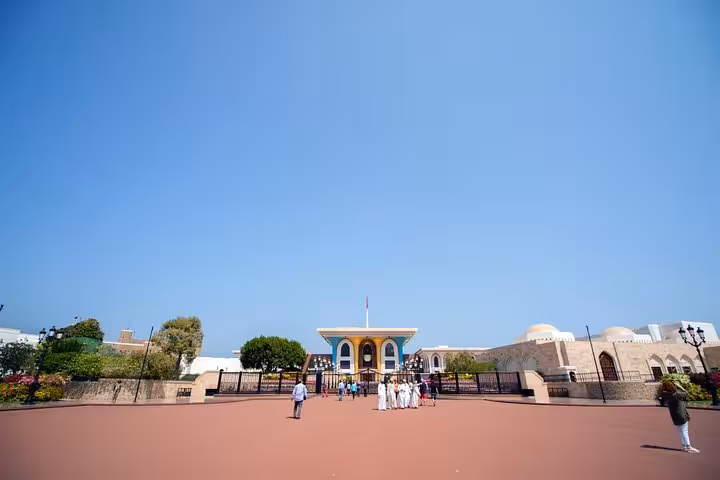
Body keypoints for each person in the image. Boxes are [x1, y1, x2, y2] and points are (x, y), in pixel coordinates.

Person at [662, 380, 700, 452]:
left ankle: (684, 445)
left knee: (680, 431)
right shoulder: (676, 394)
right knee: (684, 431)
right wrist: (680, 386)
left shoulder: (666, 395)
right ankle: (688, 446)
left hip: (674, 415)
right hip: (681, 414)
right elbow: (686, 393)